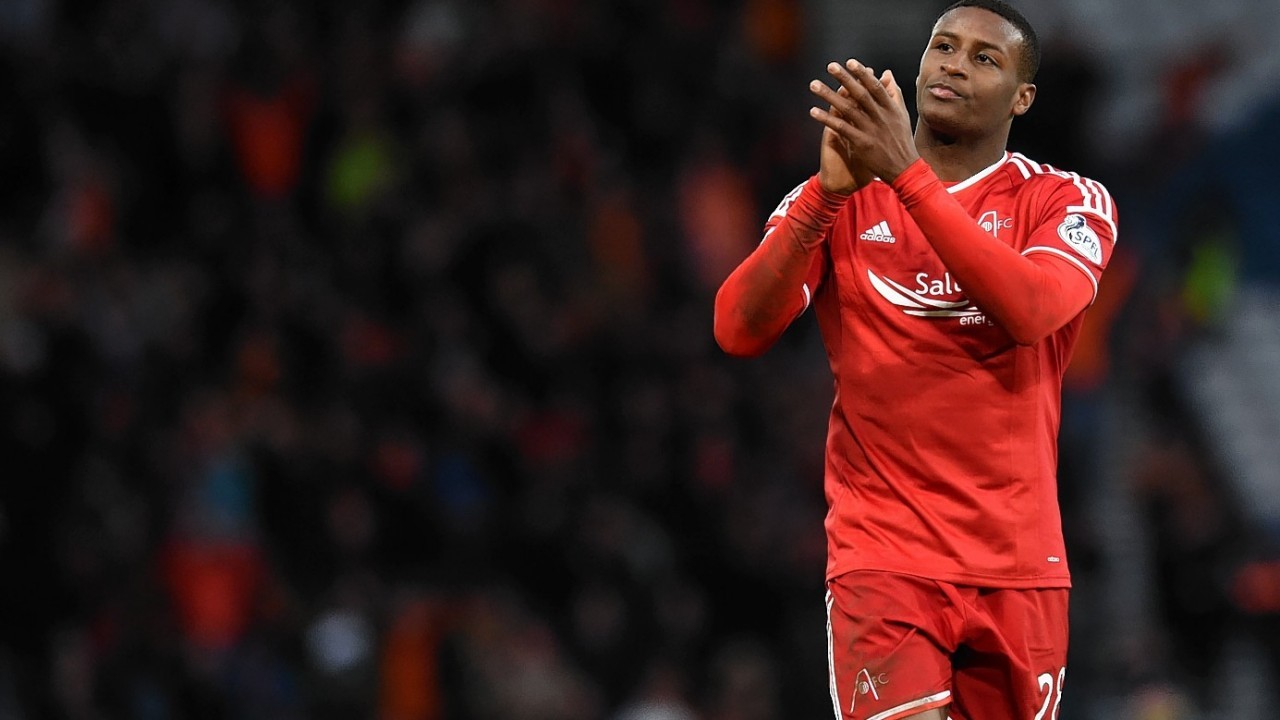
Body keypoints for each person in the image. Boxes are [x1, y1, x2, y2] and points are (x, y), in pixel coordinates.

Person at [712, 1, 1117, 719]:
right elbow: (738, 330)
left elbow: (1029, 310)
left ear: (1023, 97)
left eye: (984, 57)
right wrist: (822, 199)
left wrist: (907, 179)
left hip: (1019, 566)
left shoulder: (1066, 201)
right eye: (943, 46)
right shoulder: (839, 200)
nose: (955, 64)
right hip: (885, 557)